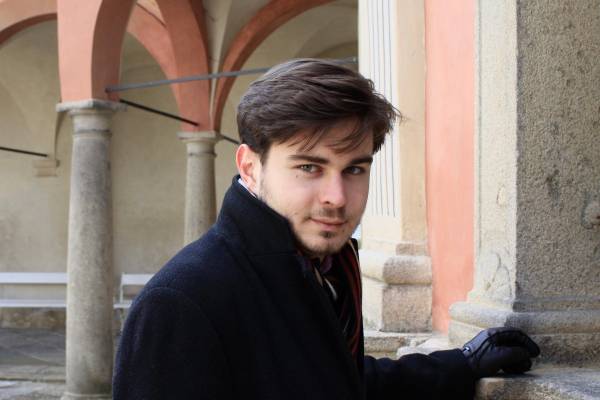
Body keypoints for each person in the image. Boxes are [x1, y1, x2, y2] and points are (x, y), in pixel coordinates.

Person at [113, 59, 539, 399]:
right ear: (250, 166)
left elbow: (336, 382)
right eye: (309, 167)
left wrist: (461, 364)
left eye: (354, 169)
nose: (336, 197)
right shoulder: (182, 303)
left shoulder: (322, 267)